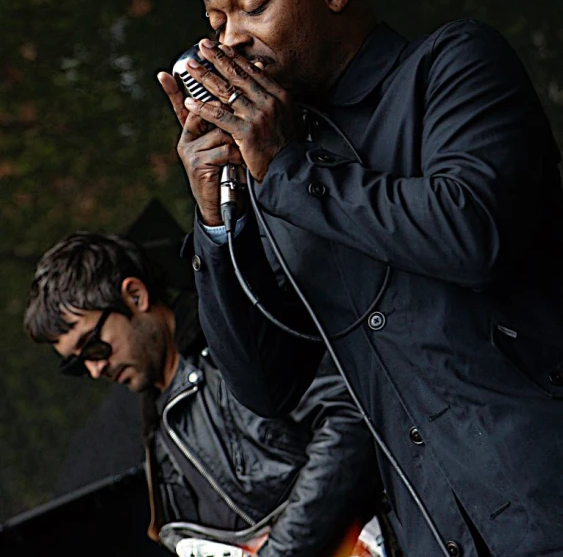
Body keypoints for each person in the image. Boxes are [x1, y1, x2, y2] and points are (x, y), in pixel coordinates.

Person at [156, 0, 563, 557]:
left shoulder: (453, 65)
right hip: (437, 532)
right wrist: (217, 218)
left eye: (250, 6)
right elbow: (263, 385)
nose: (229, 43)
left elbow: (472, 235)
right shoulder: (273, 167)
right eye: (215, 24)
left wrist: (285, 169)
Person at [23, 231, 391, 557]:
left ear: (135, 296)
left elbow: (348, 421)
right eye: (77, 364)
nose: (94, 369)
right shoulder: (158, 433)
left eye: (94, 347)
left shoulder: (234, 346)